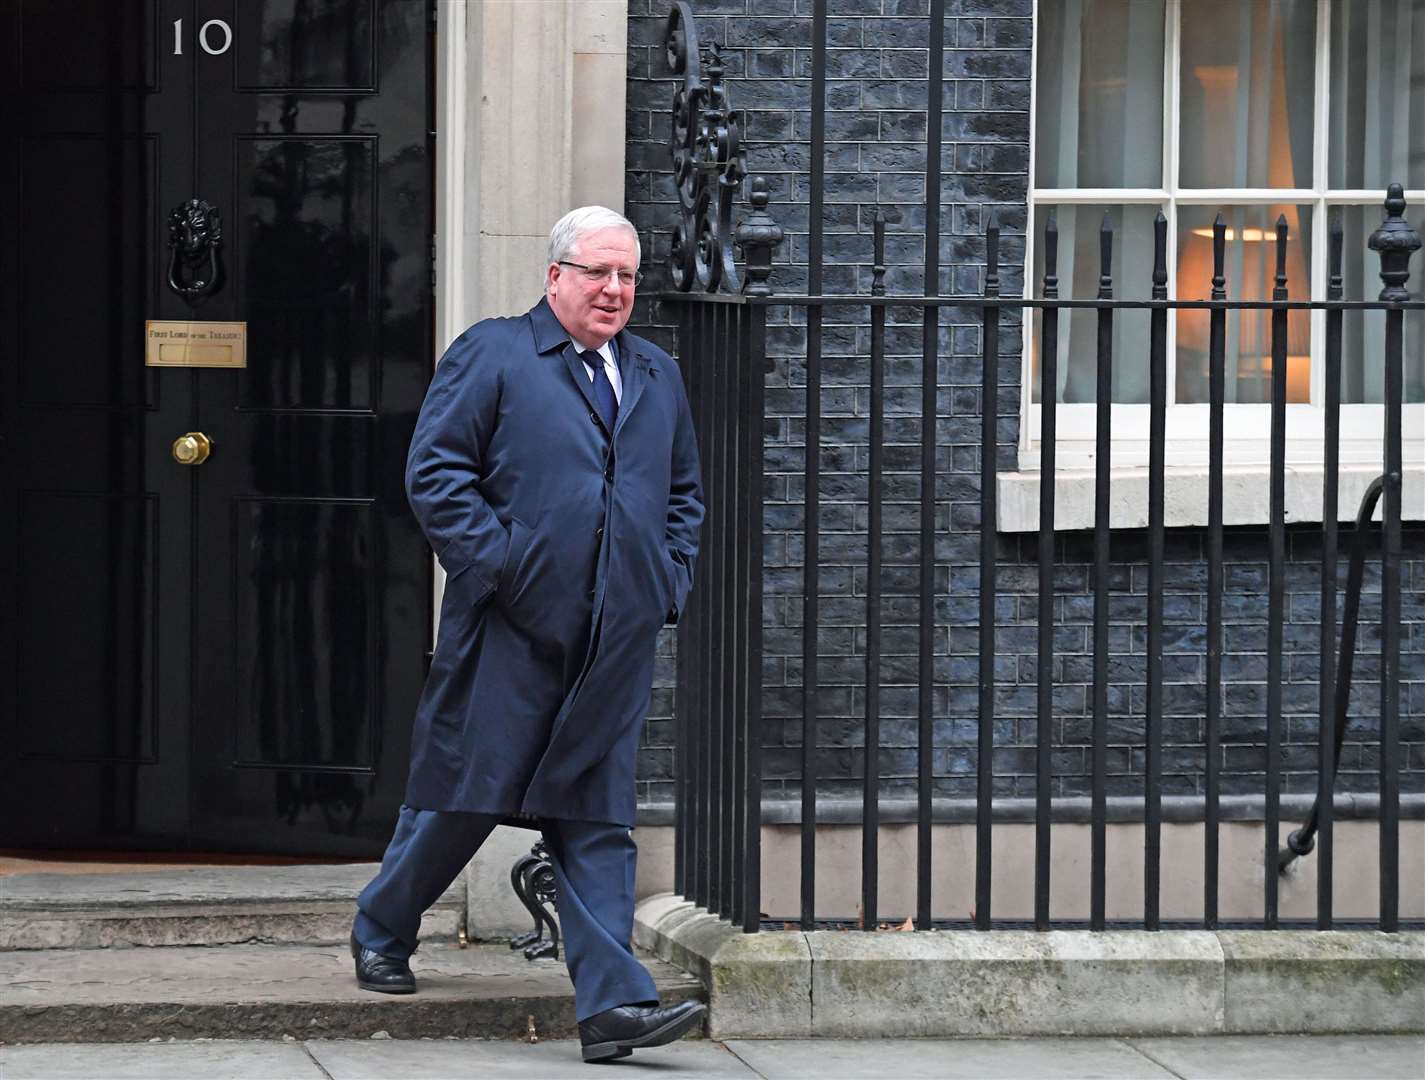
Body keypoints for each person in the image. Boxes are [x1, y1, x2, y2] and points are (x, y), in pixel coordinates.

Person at [349, 206, 706, 1063]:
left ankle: (613, 1007)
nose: (614, 290)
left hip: (612, 640)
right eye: (597, 273)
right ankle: (382, 925)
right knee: (464, 798)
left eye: (625, 276)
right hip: (507, 629)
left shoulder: (655, 374)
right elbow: (435, 473)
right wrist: (504, 567)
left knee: (594, 816)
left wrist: (665, 582)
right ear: (555, 277)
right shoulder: (496, 353)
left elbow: (683, 495)